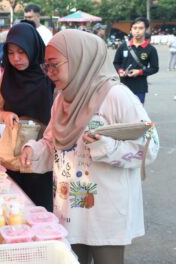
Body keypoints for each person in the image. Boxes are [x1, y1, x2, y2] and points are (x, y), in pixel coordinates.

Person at [20, 29, 160, 264]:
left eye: (55, 65)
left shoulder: (116, 96)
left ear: (79, 59)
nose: (50, 73)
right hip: (69, 209)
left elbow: (151, 146)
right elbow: (53, 141)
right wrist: (33, 150)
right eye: (47, 67)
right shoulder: (62, 99)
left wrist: (108, 147)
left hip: (105, 212)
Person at [0, 23, 54, 211]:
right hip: (11, 158)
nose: (15, 58)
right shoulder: (7, 78)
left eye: (21, 51)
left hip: (40, 160)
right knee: (13, 211)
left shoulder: (50, 77)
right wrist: (5, 115)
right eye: (10, 53)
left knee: (40, 210)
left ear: (33, 48)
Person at [113, 17, 159, 104]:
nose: (137, 31)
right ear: (131, 29)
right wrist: (120, 71)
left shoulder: (151, 49)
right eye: (135, 28)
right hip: (122, 85)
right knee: (123, 112)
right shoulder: (123, 46)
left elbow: (154, 68)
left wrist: (139, 72)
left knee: (138, 113)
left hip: (140, 87)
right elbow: (116, 63)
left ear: (146, 30)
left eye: (141, 28)